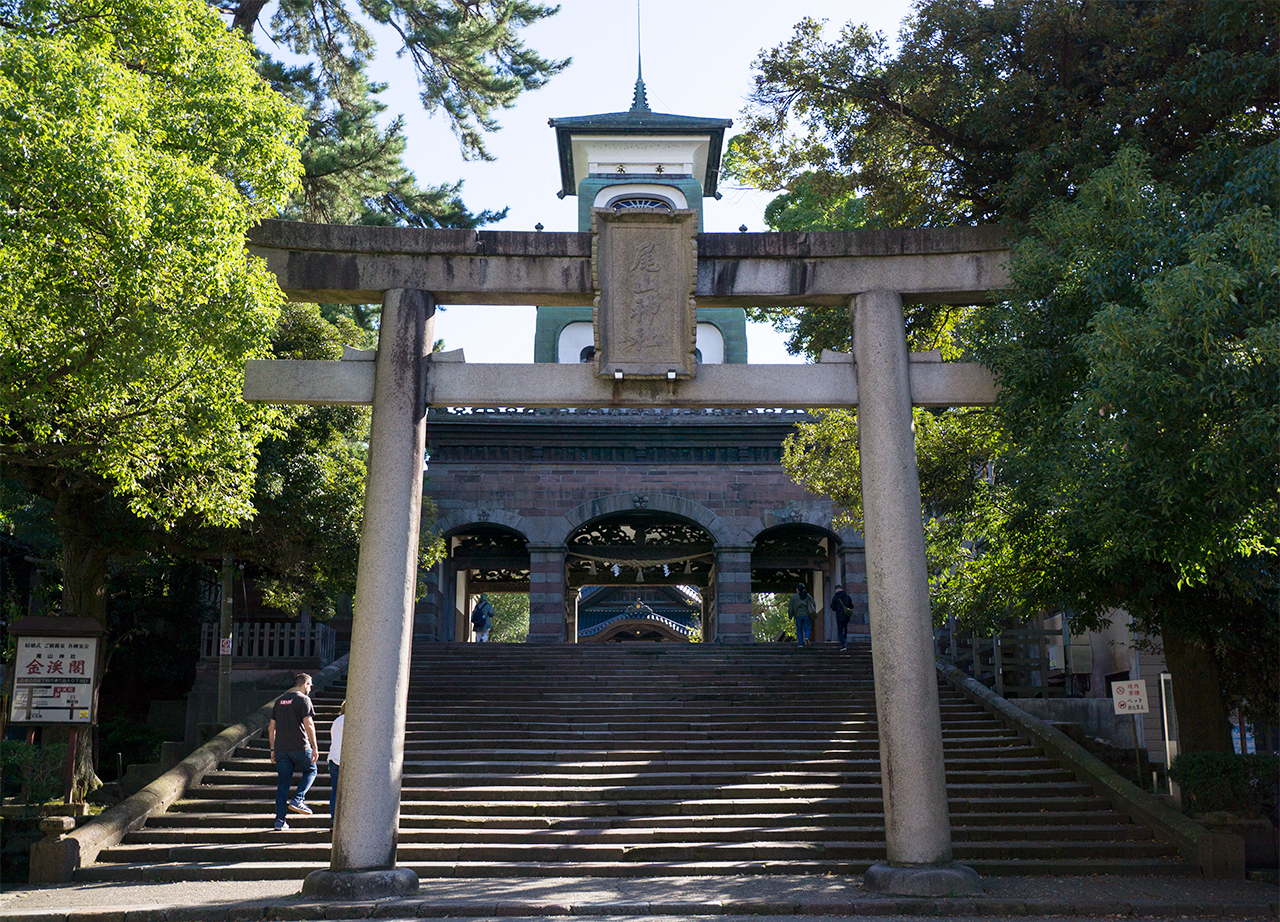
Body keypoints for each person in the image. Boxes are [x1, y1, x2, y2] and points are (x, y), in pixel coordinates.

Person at [268, 672, 318, 830]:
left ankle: (279, 821)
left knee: (283, 783)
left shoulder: (280, 700)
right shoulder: (303, 700)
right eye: (310, 685)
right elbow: (309, 725)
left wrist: (272, 749)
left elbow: (271, 728)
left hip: (281, 749)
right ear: (305, 684)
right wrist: (315, 747)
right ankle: (298, 799)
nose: (310, 688)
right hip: (300, 746)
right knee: (311, 770)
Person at [327, 700, 345, 823]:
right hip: (348, 760)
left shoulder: (337, 721)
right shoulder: (356, 721)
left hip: (334, 758)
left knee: (335, 791)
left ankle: (334, 819)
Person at [788, 583, 816, 648]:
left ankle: (801, 643)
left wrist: (790, 616)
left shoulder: (794, 597)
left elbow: (790, 608)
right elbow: (813, 604)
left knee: (799, 629)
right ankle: (807, 637)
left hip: (798, 615)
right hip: (807, 615)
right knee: (807, 628)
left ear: (797, 589)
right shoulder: (807, 596)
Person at [830, 583, 855, 652]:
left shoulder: (835, 597)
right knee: (845, 627)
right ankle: (845, 640)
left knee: (840, 630)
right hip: (846, 615)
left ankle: (843, 644)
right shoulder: (847, 596)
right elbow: (851, 605)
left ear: (836, 590)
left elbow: (832, 607)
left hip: (839, 616)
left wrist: (837, 609)